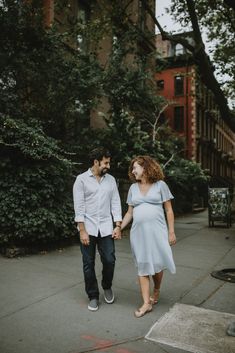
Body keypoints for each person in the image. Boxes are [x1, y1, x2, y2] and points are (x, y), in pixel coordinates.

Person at [121, 155, 176, 318]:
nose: (133, 171)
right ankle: (146, 303)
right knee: (143, 265)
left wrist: (171, 231)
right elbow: (129, 212)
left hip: (158, 232)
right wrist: (118, 227)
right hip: (138, 233)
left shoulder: (160, 185)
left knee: (157, 266)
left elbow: (169, 210)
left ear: (145, 168)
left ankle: (156, 289)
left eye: (135, 167)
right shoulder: (132, 188)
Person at [73, 147, 122, 311]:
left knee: (110, 260)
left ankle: (107, 286)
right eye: (105, 163)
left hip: (107, 228)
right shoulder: (81, 180)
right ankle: (93, 295)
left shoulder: (111, 180)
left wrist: (118, 225)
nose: (108, 165)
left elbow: (115, 203)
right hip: (88, 228)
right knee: (88, 263)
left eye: (109, 162)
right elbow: (79, 208)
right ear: (96, 162)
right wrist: (82, 230)